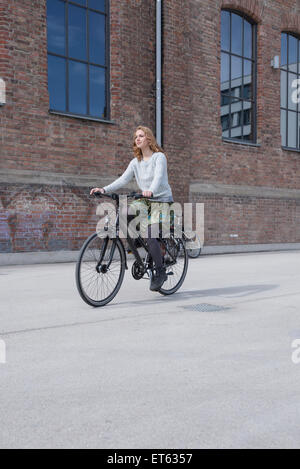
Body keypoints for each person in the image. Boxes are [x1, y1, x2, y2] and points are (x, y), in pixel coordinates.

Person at [90, 125, 173, 291]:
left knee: (151, 234)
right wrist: (104, 189)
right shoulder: (136, 162)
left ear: (148, 139)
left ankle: (160, 270)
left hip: (161, 200)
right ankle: (137, 240)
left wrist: (151, 191)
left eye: (141, 136)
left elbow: (158, 177)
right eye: (136, 137)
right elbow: (122, 180)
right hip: (144, 200)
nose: (138, 139)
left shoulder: (159, 157)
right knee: (124, 212)